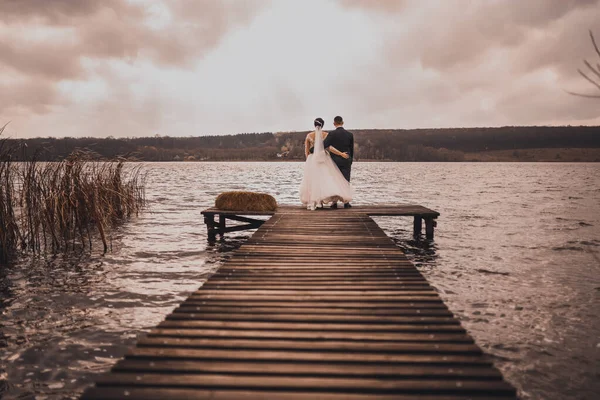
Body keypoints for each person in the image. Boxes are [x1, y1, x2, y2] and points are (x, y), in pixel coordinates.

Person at [299, 117, 353, 210]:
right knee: (324, 179)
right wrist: (341, 154)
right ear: (323, 125)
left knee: (313, 180)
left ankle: (317, 201)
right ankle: (325, 200)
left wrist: (309, 160)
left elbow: (306, 151)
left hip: (312, 159)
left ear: (314, 125)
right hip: (324, 158)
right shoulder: (326, 134)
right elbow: (330, 148)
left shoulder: (309, 136)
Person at [323, 115, 354, 208]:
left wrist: (312, 150)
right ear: (342, 122)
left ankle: (334, 203)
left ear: (334, 123)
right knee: (346, 181)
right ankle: (346, 202)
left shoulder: (332, 134)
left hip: (334, 161)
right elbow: (351, 149)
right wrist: (350, 160)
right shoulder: (349, 134)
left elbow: (324, 145)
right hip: (346, 160)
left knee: (334, 181)